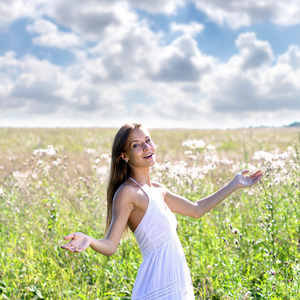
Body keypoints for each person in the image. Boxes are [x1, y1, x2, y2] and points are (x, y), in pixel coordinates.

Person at [61, 122, 263, 299]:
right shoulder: (127, 193)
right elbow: (111, 245)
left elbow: (196, 209)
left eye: (147, 140)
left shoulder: (158, 190)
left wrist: (235, 183)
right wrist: (89, 240)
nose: (146, 147)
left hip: (175, 280)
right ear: (124, 156)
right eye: (136, 145)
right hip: (156, 285)